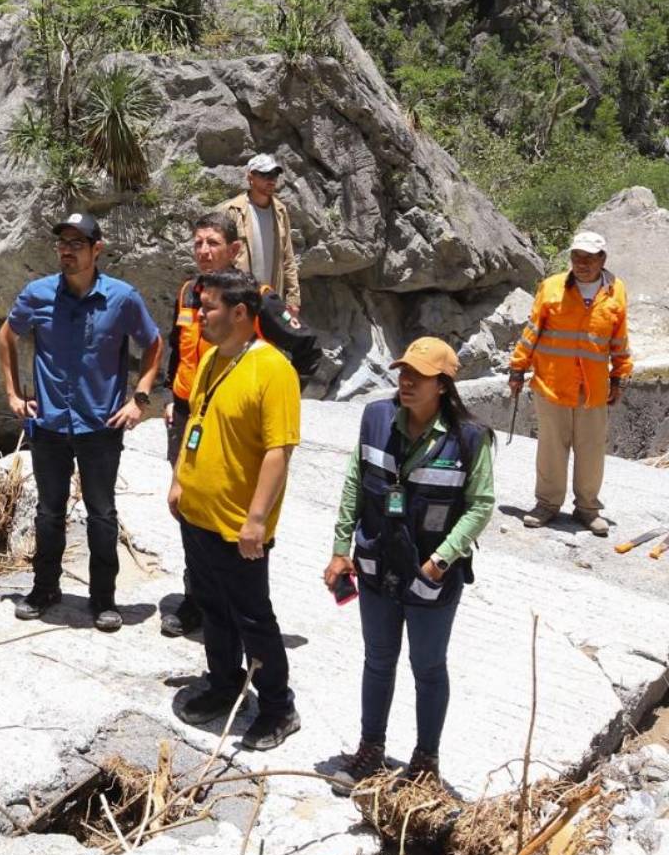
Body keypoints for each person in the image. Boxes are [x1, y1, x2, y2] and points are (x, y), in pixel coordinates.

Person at [323, 337, 494, 786]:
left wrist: (440, 561)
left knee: (428, 667)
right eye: (403, 371)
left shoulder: (470, 439)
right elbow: (354, 483)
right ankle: (370, 750)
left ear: (443, 384)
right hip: (377, 565)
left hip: (430, 577)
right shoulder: (376, 418)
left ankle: (425, 762)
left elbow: (480, 505)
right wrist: (342, 549)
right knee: (378, 660)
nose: (406, 380)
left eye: (418, 375)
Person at [0, 212, 163, 632]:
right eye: (62, 243)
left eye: (77, 243)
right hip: (50, 424)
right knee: (49, 512)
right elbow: (6, 336)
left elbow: (154, 343)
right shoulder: (38, 294)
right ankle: (44, 588)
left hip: (100, 426)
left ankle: (103, 599)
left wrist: (138, 400)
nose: (67, 251)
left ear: (96, 249)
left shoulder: (122, 298)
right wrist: (14, 394)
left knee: (102, 513)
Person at [167, 271, 302, 750]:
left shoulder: (273, 370)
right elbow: (194, 423)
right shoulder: (210, 360)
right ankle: (225, 685)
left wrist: (257, 520)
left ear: (241, 313)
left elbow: (278, 451)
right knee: (213, 610)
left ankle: (277, 707)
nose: (200, 314)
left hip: (239, 527)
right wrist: (180, 479)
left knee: (252, 618)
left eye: (211, 307)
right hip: (199, 517)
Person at [508, 230, 631, 535]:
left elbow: (619, 339)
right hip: (552, 384)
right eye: (577, 256)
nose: (582, 263)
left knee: (591, 450)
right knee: (551, 448)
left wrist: (619, 376)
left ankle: (587, 509)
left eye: (589, 258)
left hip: (593, 388)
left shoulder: (616, 291)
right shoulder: (551, 288)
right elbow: (532, 331)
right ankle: (547, 505)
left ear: (603, 259)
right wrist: (517, 369)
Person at [161, 211, 241, 638]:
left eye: (213, 243)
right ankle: (196, 597)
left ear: (234, 250)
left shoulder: (247, 296)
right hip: (186, 411)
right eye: (198, 243)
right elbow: (178, 348)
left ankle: (231, 598)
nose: (204, 251)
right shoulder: (188, 292)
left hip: (226, 417)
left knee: (225, 506)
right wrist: (171, 398)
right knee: (186, 506)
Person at [220, 153, 300, 314]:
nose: (271, 179)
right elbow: (221, 259)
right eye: (264, 174)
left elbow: (288, 258)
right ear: (250, 177)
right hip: (240, 301)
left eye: (275, 174)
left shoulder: (280, 211)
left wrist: (293, 299)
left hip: (271, 300)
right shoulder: (232, 211)